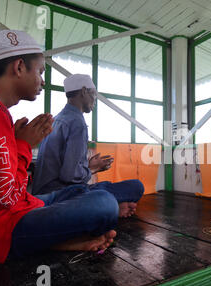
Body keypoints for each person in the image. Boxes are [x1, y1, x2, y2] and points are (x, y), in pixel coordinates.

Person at [0, 30, 118, 265]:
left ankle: (56, 239)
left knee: (83, 193)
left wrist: (17, 143)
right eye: (39, 71)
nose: (43, 81)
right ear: (19, 67)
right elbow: (4, 201)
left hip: (17, 209)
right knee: (104, 203)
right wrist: (23, 145)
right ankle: (51, 240)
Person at [31, 74, 144, 218]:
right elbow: (68, 176)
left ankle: (111, 206)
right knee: (135, 187)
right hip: (61, 196)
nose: (95, 100)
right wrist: (93, 169)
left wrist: (88, 166)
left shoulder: (58, 119)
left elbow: (65, 168)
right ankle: (110, 206)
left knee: (102, 190)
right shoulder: (77, 122)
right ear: (84, 91)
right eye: (94, 95)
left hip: (42, 195)